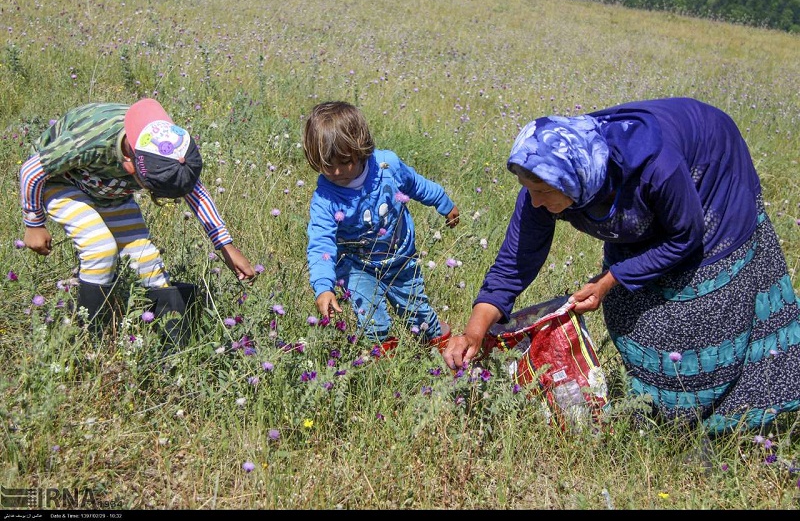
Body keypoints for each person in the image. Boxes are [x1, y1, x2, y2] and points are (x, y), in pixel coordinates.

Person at [442, 97, 800, 435]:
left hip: (711, 171)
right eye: (527, 189)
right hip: (650, 189)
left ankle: (712, 427)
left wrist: (610, 279)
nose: (533, 201)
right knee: (632, 307)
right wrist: (475, 333)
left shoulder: (656, 168)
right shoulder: (549, 175)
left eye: (541, 192)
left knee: (703, 308)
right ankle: (664, 413)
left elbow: (685, 237)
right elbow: (513, 264)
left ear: (574, 181)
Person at [20, 99, 256, 344]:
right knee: (99, 248)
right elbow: (31, 170)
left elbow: (196, 192)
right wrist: (34, 223)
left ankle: (175, 348)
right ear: (129, 166)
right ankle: (90, 339)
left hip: (111, 193)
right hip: (62, 182)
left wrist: (225, 246)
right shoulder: (89, 142)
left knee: (146, 259)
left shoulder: (167, 147)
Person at [303, 101, 460, 354]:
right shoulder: (325, 199)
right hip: (356, 265)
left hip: (400, 260)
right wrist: (323, 286)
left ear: (360, 147)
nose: (336, 171)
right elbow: (321, 243)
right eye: (326, 165)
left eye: (344, 161)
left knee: (419, 316)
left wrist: (442, 201)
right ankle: (383, 373)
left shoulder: (387, 166)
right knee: (373, 325)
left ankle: (440, 349)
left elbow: (415, 184)